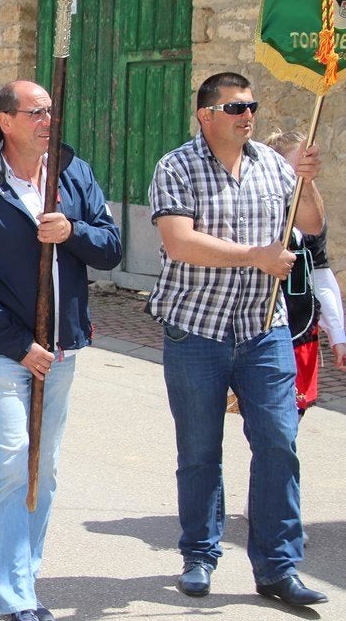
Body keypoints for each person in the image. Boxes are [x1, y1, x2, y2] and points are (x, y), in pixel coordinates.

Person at [0, 79, 122, 621]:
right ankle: (15, 599)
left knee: (45, 466)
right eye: (36, 111)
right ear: (6, 122)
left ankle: (25, 580)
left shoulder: (73, 174)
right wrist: (19, 346)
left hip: (62, 349)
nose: (48, 119)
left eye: (50, 110)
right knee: (15, 463)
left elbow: (110, 247)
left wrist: (73, 231)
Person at [146, 72, 327, 607]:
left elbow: (311, 225)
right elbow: (179, 243)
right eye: (235, 107)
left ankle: (278, 568)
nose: (247, 114)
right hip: (196, 331)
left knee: (278, 444)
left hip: (262, 331)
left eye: (251, 105)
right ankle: (199, 554)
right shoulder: (176, 167)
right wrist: (255, 256)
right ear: (205, 115)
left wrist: (307, 181)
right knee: (200, 450)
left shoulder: (272, 166)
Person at [264, 130, 346, 414]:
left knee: (289, 418)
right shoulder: (259, 211)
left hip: (299, 328)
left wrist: (338, 334)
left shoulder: (314, 219)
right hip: (259, 328)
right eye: (297, 164)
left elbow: (321, 275)